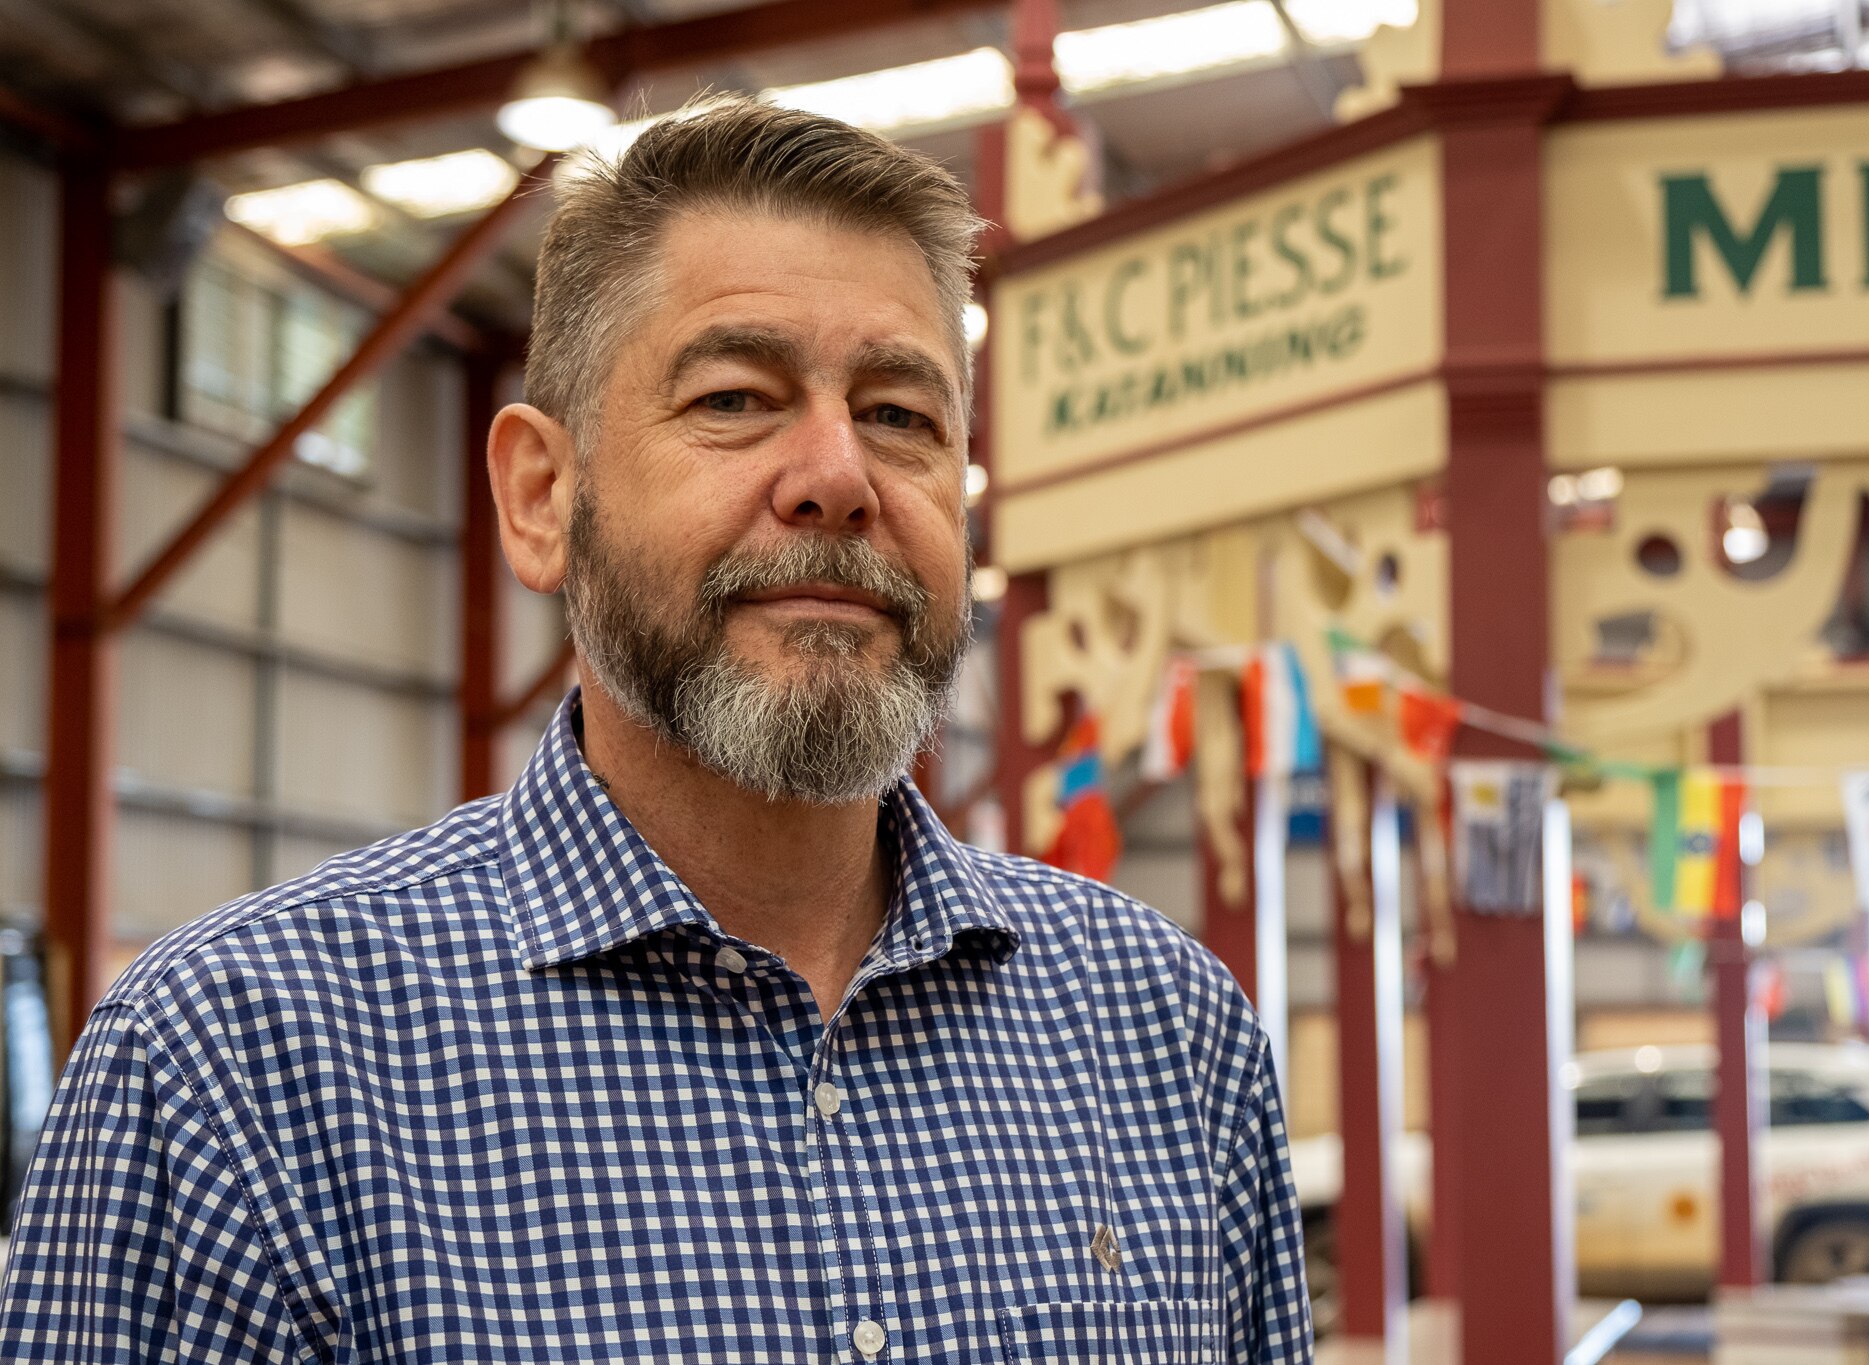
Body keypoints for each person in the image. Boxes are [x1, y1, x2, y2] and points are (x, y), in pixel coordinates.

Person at [0, 97, 1310, 1363]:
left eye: (903, 416)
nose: (839, 478)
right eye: (735, 397)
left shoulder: (1170, 1035)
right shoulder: (238, 1073)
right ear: (540, 496)